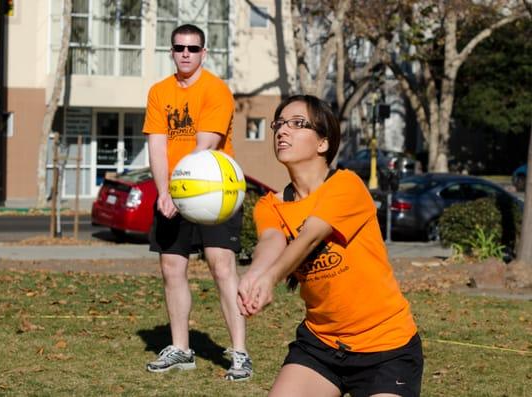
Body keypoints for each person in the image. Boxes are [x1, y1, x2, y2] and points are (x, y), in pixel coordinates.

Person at [237, 95, 423, 396]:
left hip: (387, 348)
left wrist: (271, 278)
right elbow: (271, 241)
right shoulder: (269, 204)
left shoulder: (346, 185)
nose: (283, 131)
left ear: (323, 143)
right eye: (279, 124)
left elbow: (310, 234)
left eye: (297, 124)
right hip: (321, 345)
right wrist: (256, 274)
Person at [142, 24, 252, 381]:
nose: (186, 53)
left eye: (193, 48)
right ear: (171, 52)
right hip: (173, 193)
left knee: (222, 268)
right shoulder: (159, 92)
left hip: (214, 193)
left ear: (204, 52)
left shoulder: (216, 90)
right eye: (179, 47)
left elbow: (204, 145)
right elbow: (157, 145)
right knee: (172, 269)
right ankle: (181, 349)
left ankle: (240, 353)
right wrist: (163, 192)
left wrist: (175, 192)